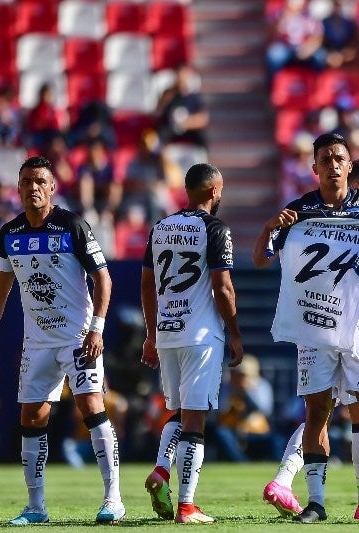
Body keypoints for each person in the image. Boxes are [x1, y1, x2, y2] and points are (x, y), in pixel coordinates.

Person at [252, 133, 359, 523]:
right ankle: (317, 503)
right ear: (315, 168)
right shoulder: (299, 210)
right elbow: (260, 259)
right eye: (325, 159)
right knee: (317, 411)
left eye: (339, 158)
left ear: (349, 166)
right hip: (315, 326)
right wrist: (270, 226)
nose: (333, 165)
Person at [0, 156, 124, 524]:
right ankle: (36, 507)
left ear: (52, 187)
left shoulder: (72, 225)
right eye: (26, 181)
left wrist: (97, 328)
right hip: (38, 342)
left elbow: (103, 279)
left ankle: (113, 499)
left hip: (78, 337)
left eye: (40, 181)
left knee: (91, 406)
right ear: (18, 187)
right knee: (32, 416)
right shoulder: (10, 234)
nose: (33, 187)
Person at [140, 163, 243, 523]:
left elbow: (146, 284)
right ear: (215, 191)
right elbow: (223, 288)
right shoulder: (215, 229)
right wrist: (235, 333)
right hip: (200, 335)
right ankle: (186, 505)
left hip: (167, 334)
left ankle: (161, 469)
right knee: (195, 420)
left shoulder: (160, 227)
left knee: (180, 412)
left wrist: (151, 334)